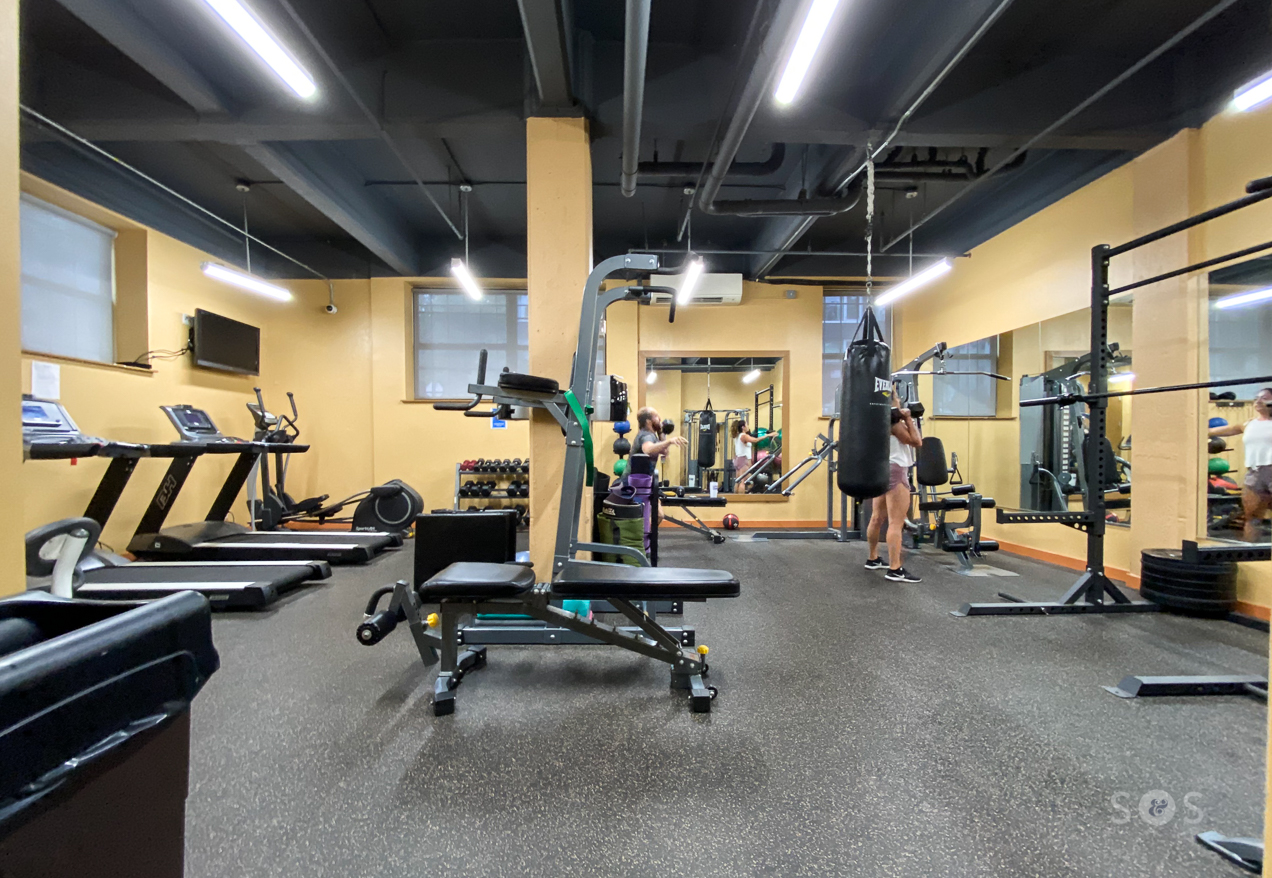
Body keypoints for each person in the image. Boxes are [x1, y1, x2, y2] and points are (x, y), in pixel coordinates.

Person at [865, 391, 924, 582]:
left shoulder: (875, 419)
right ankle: (895, 568)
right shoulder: (893, 423)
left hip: (881, 469)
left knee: (876, 517)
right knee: (896, 522)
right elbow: (916, 442)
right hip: (896, 469)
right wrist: (908, 419)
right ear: (891, 401)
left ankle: (873, 558)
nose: (899, 401)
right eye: (897, 398)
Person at [1209, 387, 1272, 542]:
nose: (1258, 401)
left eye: (1264, 398)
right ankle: (1250, 551)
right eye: (1257, 398)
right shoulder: (1249, 423)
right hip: (1255, 472)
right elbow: (1227, 429)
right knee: (1252, 517)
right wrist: (1202, 431)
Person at [730, 420, 765, 485]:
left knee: (738, 480)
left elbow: (750, 437)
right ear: (743, 427)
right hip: (743, 459)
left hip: (738, 459)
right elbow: (755, 440)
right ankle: (742, 492)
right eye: (747, 425)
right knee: (742, 480)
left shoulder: (737, 436)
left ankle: (737, 492)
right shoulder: (744, 436)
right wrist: (768, 435)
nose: (748, 426)